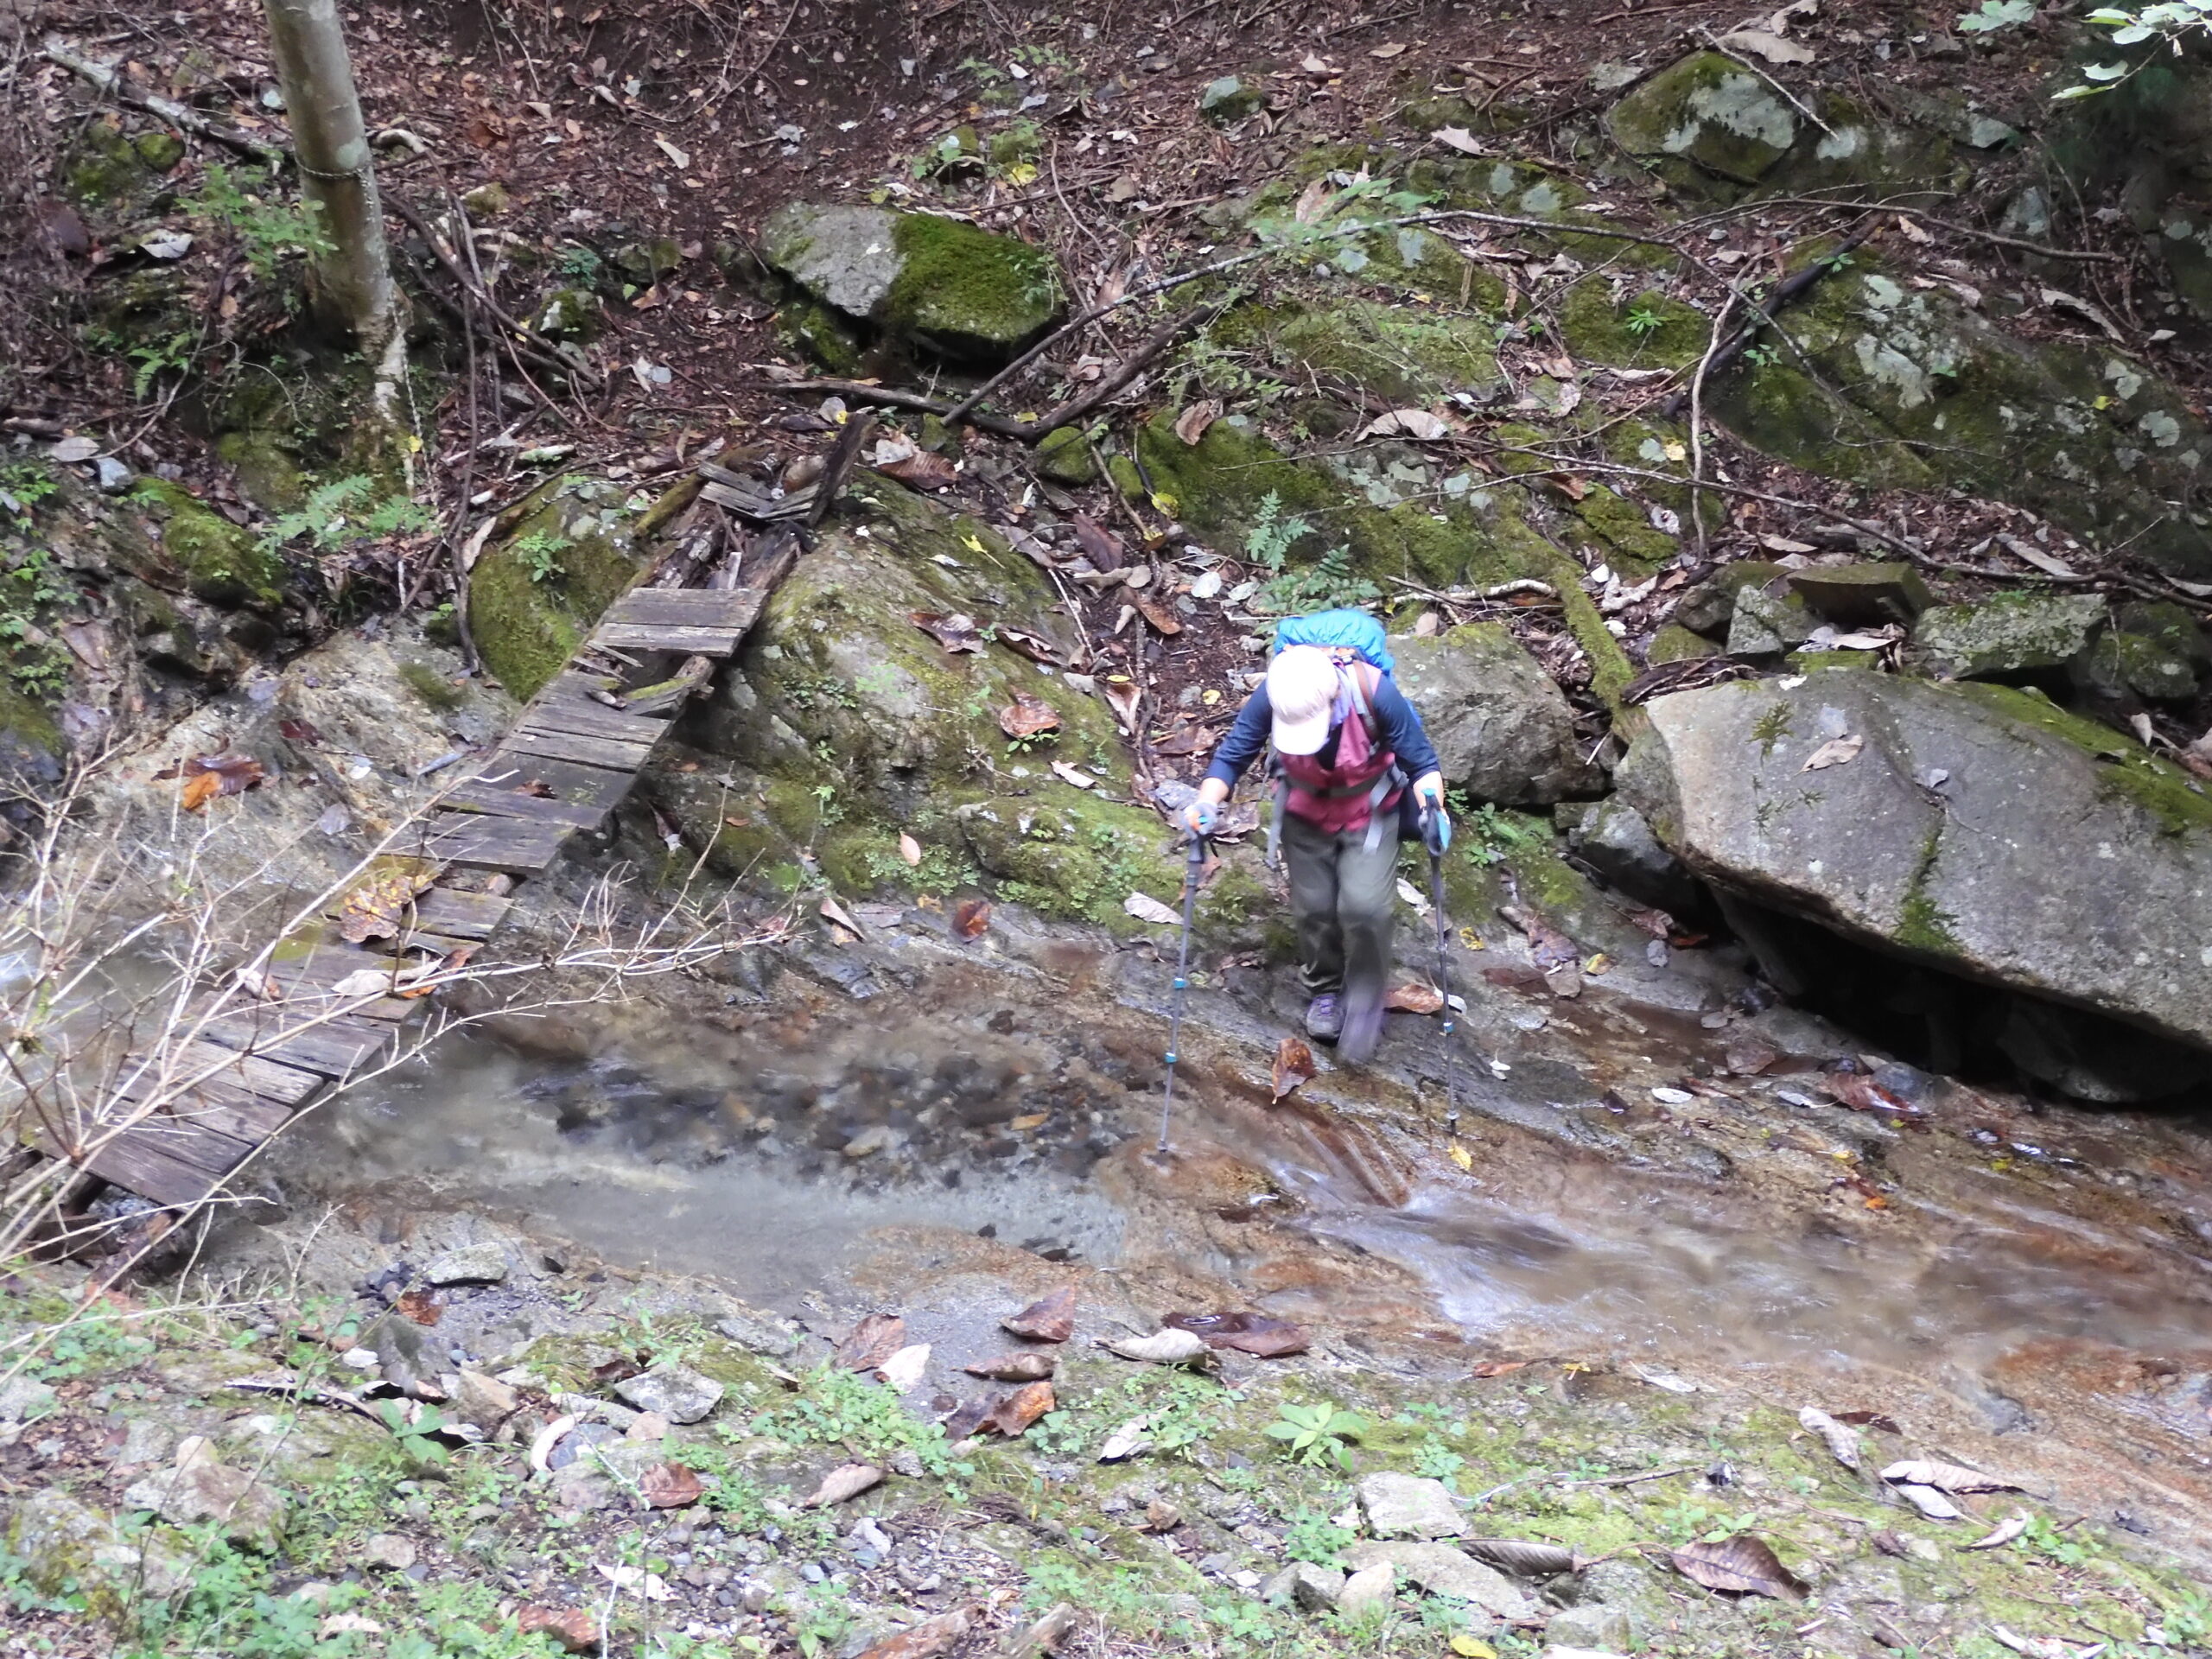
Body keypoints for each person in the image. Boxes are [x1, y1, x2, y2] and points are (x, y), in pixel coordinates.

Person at [1184, 641, 1447, 1063]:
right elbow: (1233, 755)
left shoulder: (1374, 694)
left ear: (1334, 696)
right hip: (1303, 814)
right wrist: (1206, 803)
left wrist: (1433, 809)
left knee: (1366, 908)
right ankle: (1325, 991)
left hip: (1369, 813)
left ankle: (1364, 999)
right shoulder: (1275, 694)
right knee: (1315, 908)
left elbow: (1422, 764)